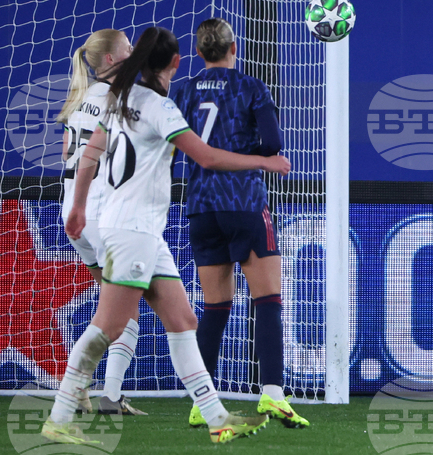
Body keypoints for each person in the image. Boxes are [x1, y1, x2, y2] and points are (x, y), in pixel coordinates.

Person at [43, 27, 291, 445]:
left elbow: (89, 153)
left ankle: (216, 419)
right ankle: (61, 415)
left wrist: (79, 207)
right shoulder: (159, 107)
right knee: (107, 327)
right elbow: (207, 157)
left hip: (137, 230)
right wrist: (265, 162)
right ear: (176, 63)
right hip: (132, 230)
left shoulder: (121, 100)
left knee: (184, 320)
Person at [172, 19, 308, 429]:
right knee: (267, 299)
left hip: (200, 205)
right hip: (243, 200)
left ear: (199, 53)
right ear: (235, 47)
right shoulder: (251, 87)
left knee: (214, 306)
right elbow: (272, 145)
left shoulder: (183, 90)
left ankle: (203, 401)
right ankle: (272, 395)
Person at [56, 29, 146, 417]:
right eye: (128, 48)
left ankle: (88, 389)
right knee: (124, 313)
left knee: (111, 309)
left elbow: (67, 155)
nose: (134, 52)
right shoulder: (120, 100)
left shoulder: (80, 100)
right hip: (102, 213)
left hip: (72, 212)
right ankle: (95, 391)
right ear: (110, 59)